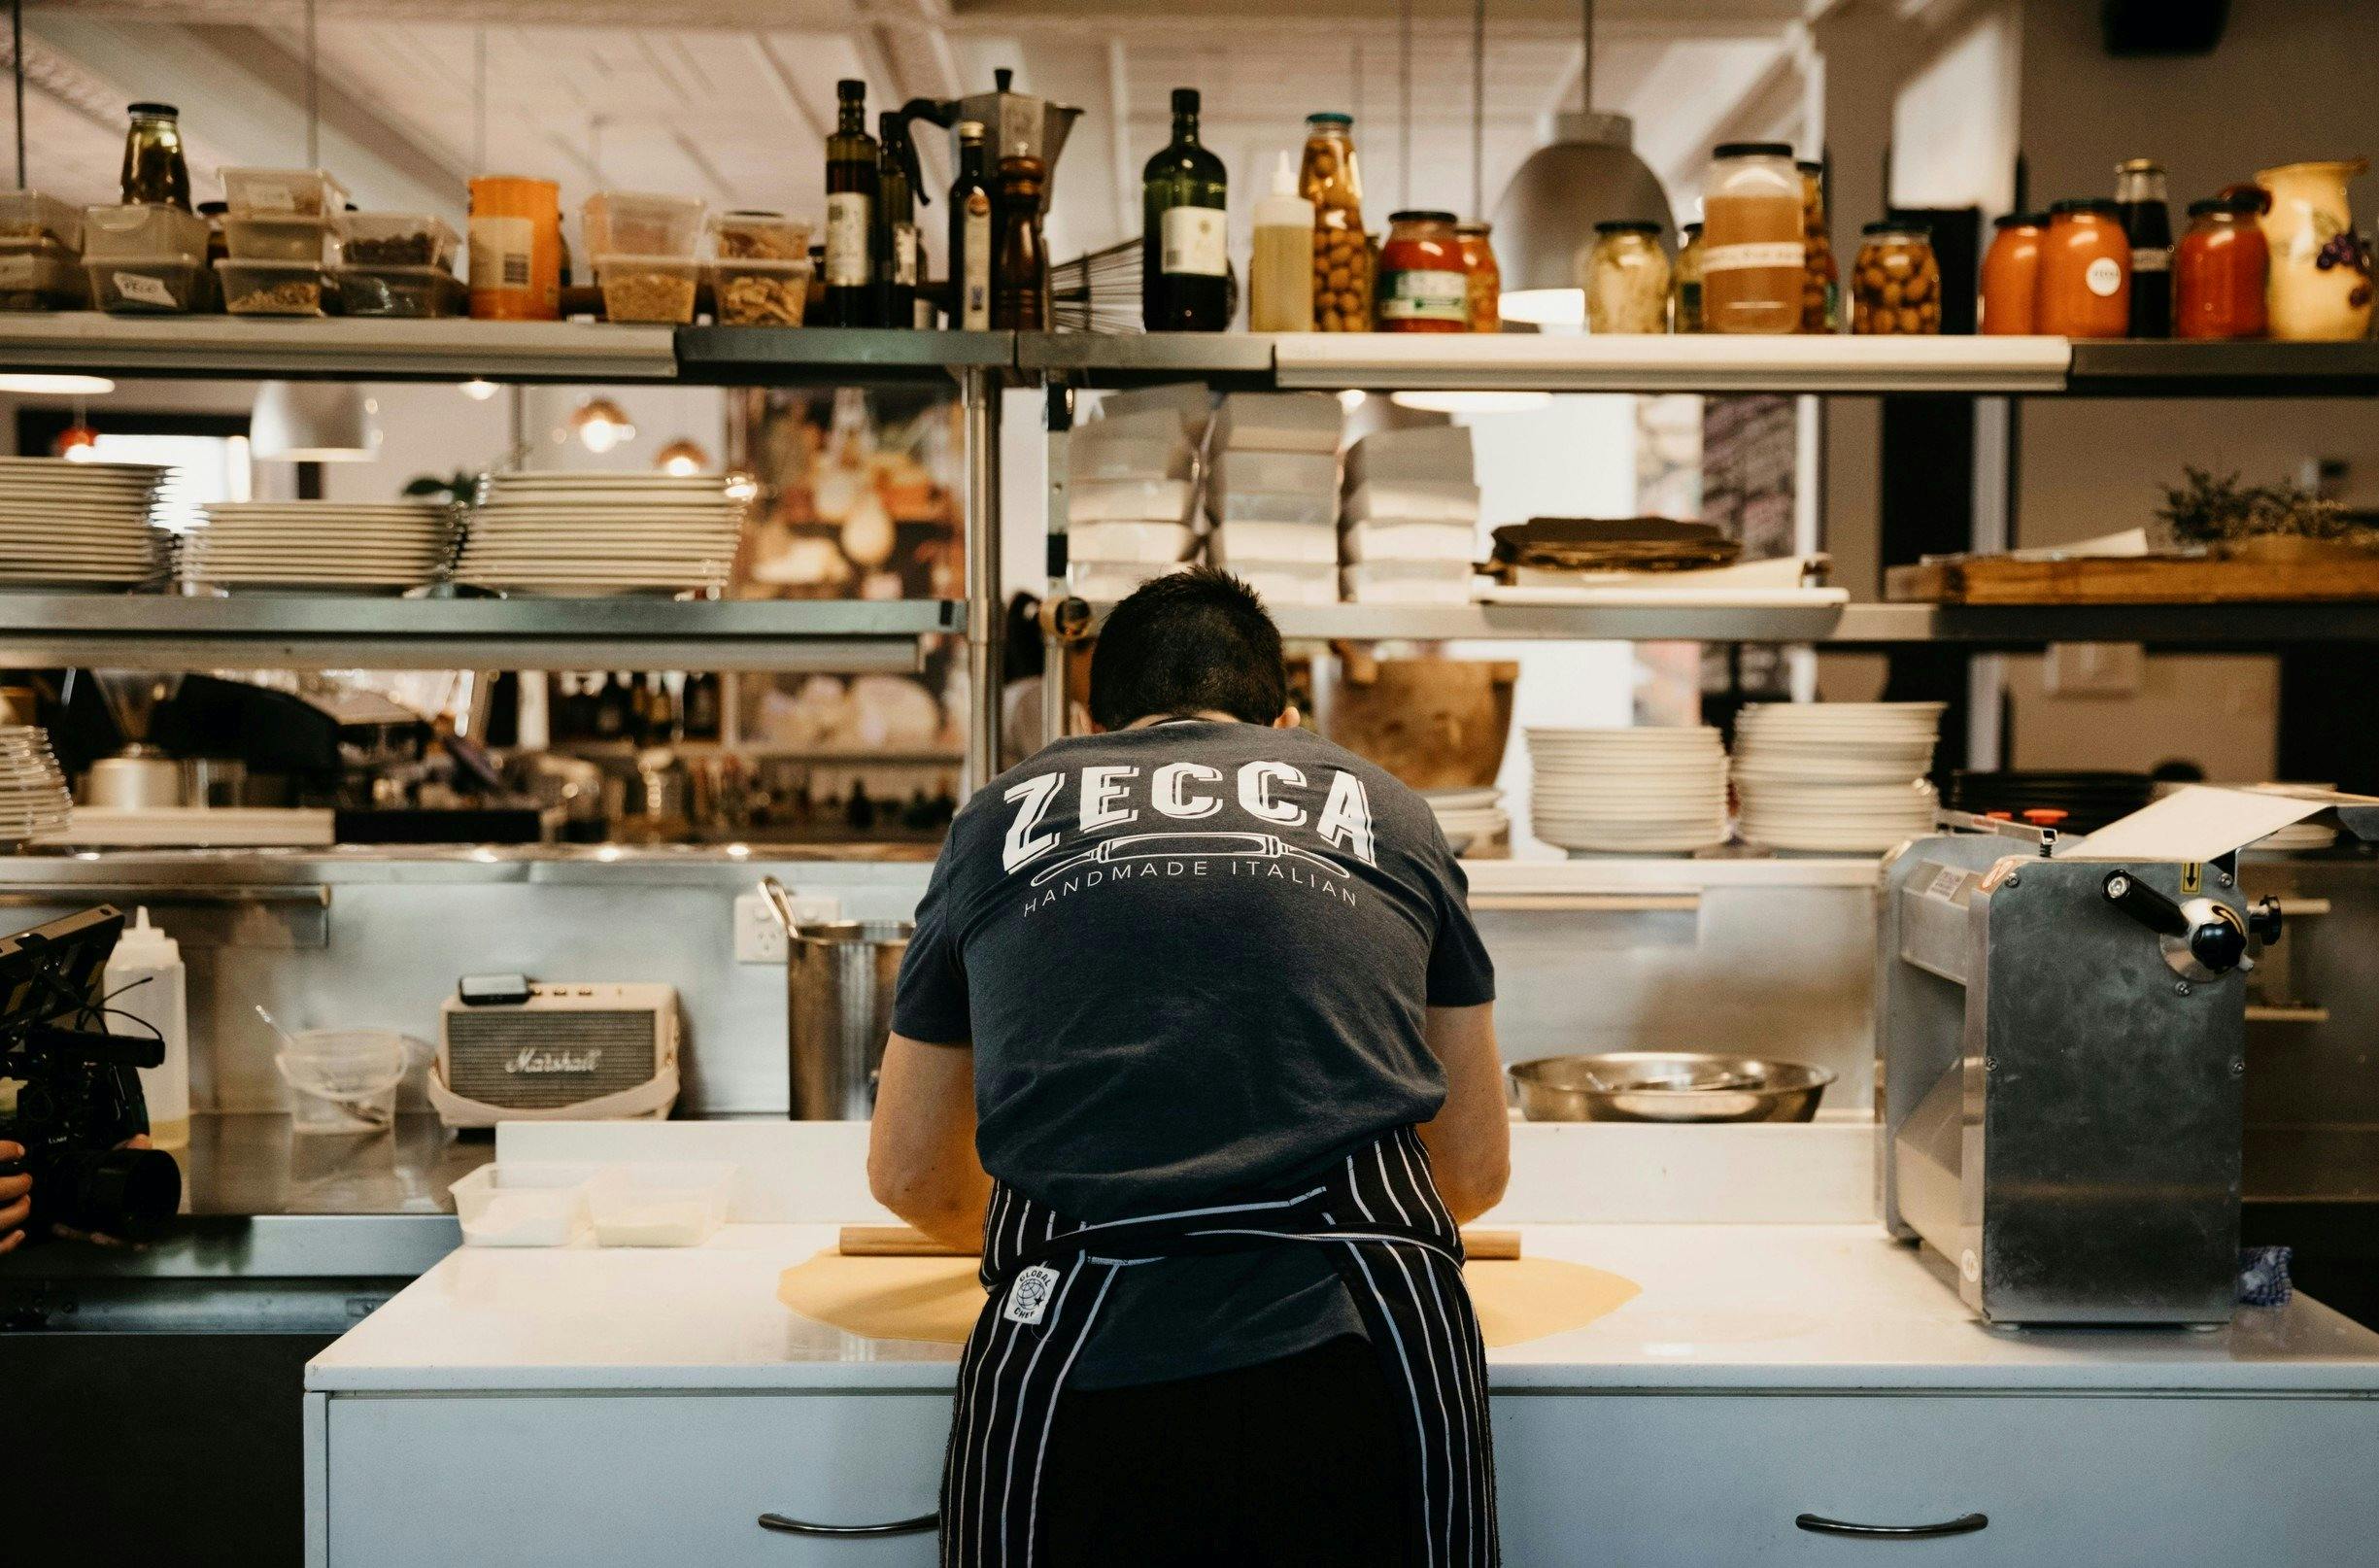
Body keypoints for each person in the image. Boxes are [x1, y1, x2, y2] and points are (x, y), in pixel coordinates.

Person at [869, 566, 1510, 1567]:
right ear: (1287, 720)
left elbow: (911, 1174)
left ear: (1091, 719)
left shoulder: (995, 820)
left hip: (1084, 1356)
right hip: (1362, 1349)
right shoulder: (1392, 811)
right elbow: (1470, 1169)